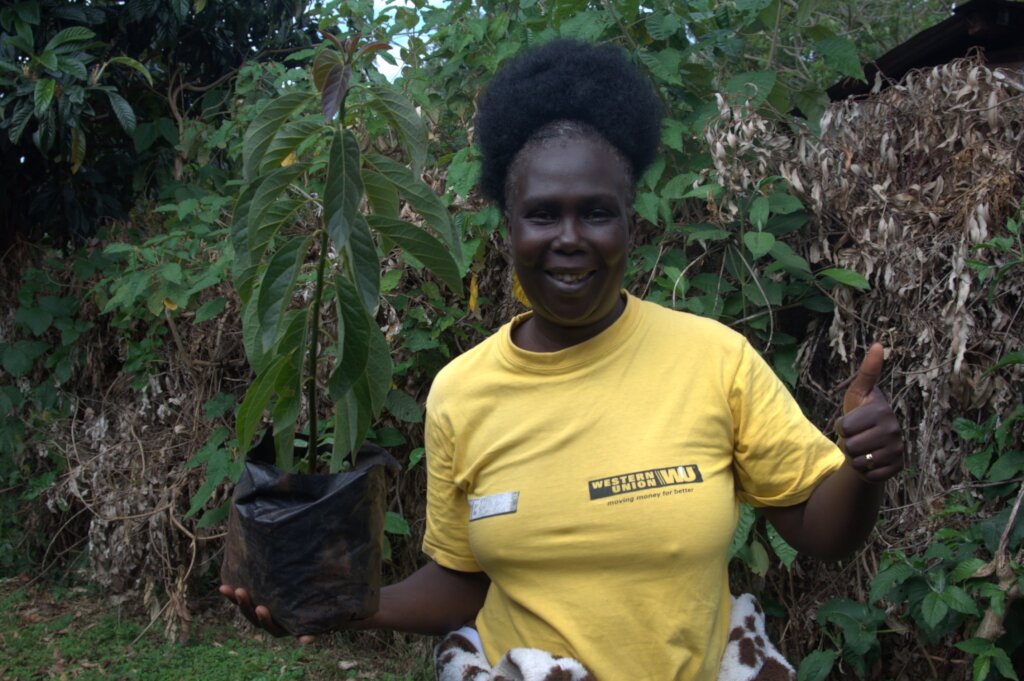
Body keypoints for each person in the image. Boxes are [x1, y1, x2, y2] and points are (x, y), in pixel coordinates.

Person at [221, 39, 904, 680]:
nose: (569, 239)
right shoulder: (462, 390)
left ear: (632, 227)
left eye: (596, 213)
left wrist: (863, 467)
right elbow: (462, 580)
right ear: (510, 229)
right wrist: (342, 601)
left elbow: (822, 530)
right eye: (543, 214)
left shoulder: (714, 359)